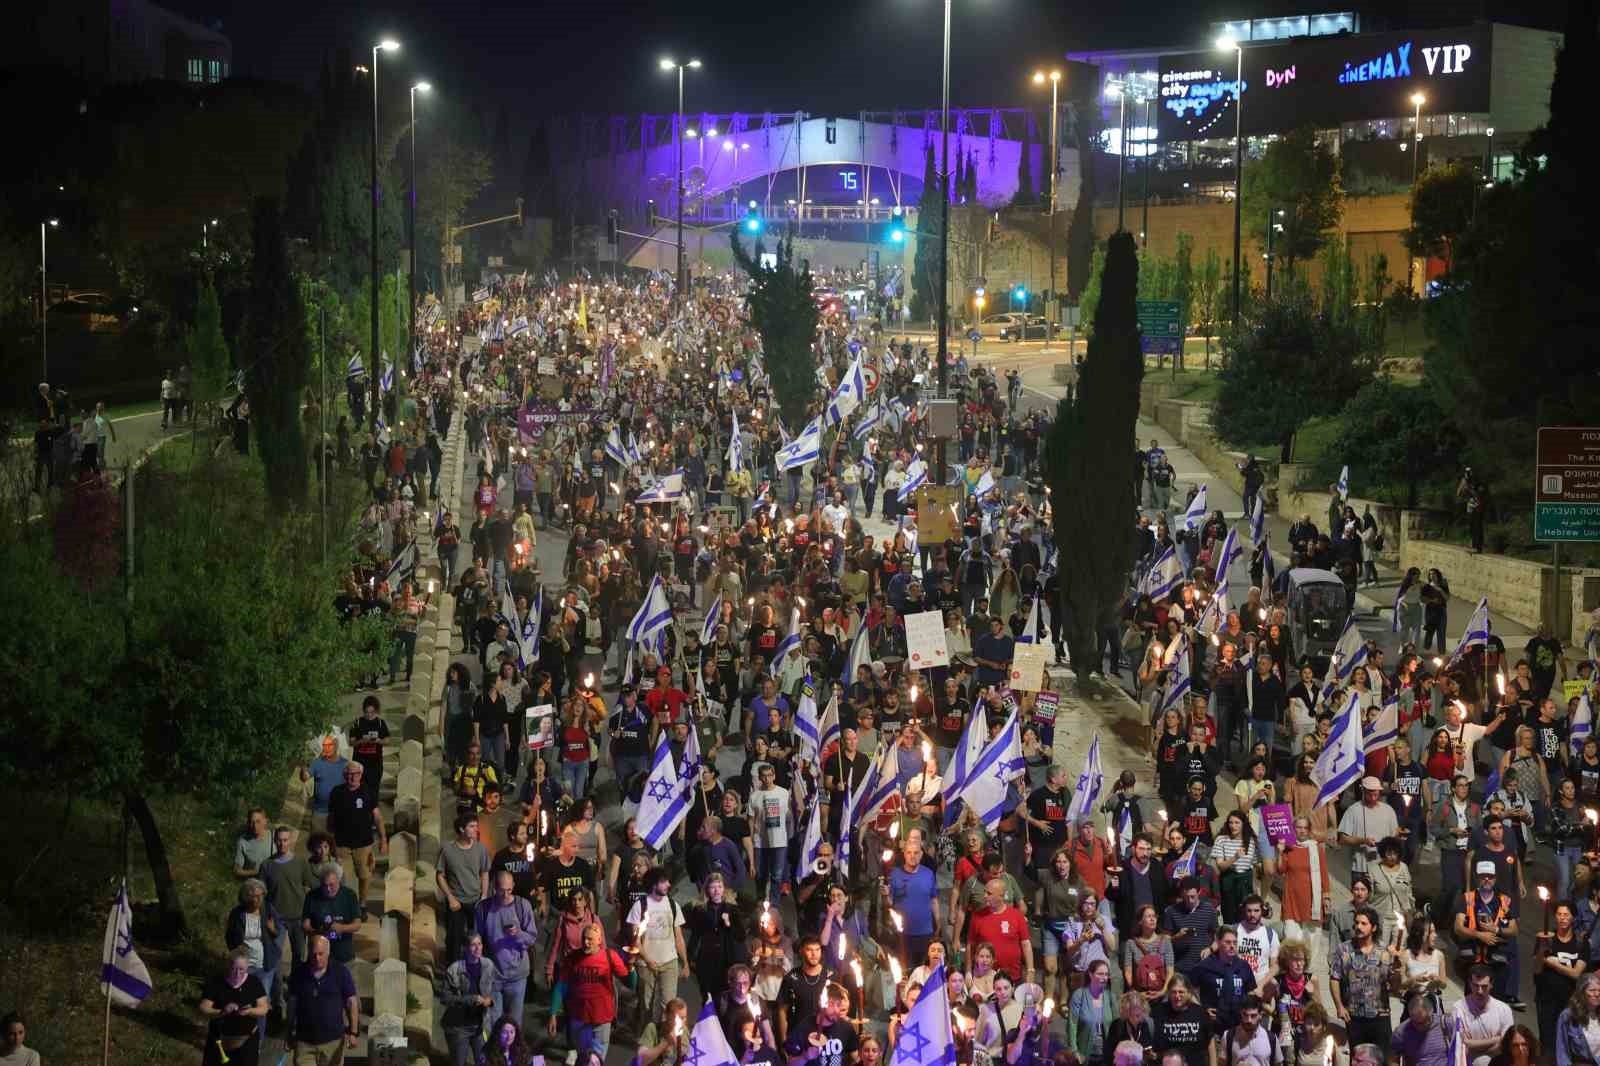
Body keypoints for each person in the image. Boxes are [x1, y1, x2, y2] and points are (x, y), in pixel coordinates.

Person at [548, 922, 634, 1060]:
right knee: (583, 1058)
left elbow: (630, 983)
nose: (586, 943)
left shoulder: (609, 956)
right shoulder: (572, 958)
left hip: (602, 1019)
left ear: (599, 941)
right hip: (579, 1018)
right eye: (584, 939)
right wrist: (553, 1013)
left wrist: (631, 968)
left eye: (590, 939)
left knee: (595, 1061)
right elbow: (561, 986)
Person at [627, 867, 689, 1033]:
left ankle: (664, 1040)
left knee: (668, 1006)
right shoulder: (640, 906)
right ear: (654, 884)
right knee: (645, 1005)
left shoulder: (673, 905)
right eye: (664, 881)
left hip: (669, 963)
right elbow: (635, 939)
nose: (668, 884)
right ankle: (645, 1038)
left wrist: (685, 963)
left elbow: (679, 937)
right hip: (646, 964)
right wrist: (647, 960)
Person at [475, 869, 539, 1027]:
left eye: (509, 890)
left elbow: (531, 938)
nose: (505, 895)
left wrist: (518, 934)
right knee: (492, 1023)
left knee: (513, 1025)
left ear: (514, 886)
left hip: (517, 977)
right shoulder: (483, 909)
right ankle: (495, 1052)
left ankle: (513, 1052)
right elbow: (477, 941)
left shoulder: (522, 906)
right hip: (493, 977)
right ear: (494, 888)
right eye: (502, 891)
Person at [285, 934, 360, 1064]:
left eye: (321, 954)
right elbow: (292, 1005)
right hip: (305, 1043)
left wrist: (353, 1032)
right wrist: (289, 1032)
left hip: (333, 1043)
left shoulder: (340, 972)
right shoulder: (298, 974)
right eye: (314, 954)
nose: (317, 958)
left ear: (328, 952)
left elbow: (351, 1002)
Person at [1330, 906, 1393, 1051]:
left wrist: (1398, 967)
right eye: (1357, 923)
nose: (1358, 927)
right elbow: (1334, 978)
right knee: (1359, 1058)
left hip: (1380, 1016)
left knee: (1382, 1057)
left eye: (1364, 924)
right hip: (1354, 1017)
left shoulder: (1384, 951)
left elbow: (1393, 983)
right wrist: (1339, 1006)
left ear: (1374, 927)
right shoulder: (1344, 949)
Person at [326, 761, 387, 909]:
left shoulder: (368, 792)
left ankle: (362, 905)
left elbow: (377, 817)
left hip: (363, 844)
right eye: (348, 774)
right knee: (340, 877)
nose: (351, 777)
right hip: (341, 844)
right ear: (344, 776)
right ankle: (343, 905)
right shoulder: (336, 792)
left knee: (364, 876)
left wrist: (383, 840)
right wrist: (329, 841)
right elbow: (331, 818)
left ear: (360, 775)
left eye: (354, 774)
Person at [1535, 901, 1589, 1055]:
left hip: (1569, 1002)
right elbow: (1537, 970)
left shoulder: (1581, 943)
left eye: (1566, 915)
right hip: (1546, 1000)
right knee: (1548, 1044)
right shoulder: (1546, 938)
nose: (1562, 918)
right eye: (1559, 914)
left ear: (1573, 918)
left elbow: (1576, 973)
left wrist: (1552, 962)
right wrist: (1541, 953)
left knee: (1568, 1044)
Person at [200, 950, 270, 1066]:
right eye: (234, 969)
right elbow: (203, 1008)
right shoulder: (217, 982)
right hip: (219, 1042)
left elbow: (263, 1008)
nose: (237, 974)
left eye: (241, 969)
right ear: (228, 966)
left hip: (247, 1042)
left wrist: (249, 1011)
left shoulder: (254, 983)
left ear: (247, 967)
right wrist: (222, 1011)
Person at [440, 931, 500, 1066]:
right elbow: (445, 998)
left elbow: (496, 987)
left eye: (479, 944)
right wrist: (470, 999)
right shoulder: (454, 970)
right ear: (465, 948)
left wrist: (490, 1000)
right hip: (459, 1027)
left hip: (480, 1025)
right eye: (473, 945)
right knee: (459, 1062)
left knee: (484, 1062)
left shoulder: (488, 965)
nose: (478, 948)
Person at [781, 981, 858, 1066]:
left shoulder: (846, 1027)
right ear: (821, 1003)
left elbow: (856, 1058)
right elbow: (790, 1064)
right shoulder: (804, 1027)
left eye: (839, 1005)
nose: (836, 1010)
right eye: (831, 1004)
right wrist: (805, 1057)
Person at [1452, 965, 1515, 1066]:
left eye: (1484, 986)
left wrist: (1473, 1044)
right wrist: (1495, 1039)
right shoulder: (1458, 1008)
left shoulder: (1503, 1009)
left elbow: (1506, 1043)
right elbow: (1461, 1044)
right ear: (1469, 984)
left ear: (1491, 985)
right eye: (1476, 985)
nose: (1479, 991)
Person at [301, 865, 362, 965]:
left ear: (339, 880)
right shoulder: (312, 896)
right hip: (318, 957)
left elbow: (357, 924)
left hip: (344, 955)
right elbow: (305, 925)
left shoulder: (349, 895)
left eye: (332, 885)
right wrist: (319, 932)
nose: (328, 889)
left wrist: (341, 928)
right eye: (324, 885)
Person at [1151, 975, 1214, 1066]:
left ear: (1188, 993)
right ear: (1168, 993)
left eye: (1181, 992)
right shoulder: (1158, 1013)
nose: (1177, 996)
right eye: (1174, 992)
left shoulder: (1200, 1013)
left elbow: (1210, 1043)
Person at [1390, 990, 1449, 1066]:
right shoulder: (1401, 1032)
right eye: (1415, 1022)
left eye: (1424, 1022)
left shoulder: (1445, 1023)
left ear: (1431, 1013)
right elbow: (1393, 1059)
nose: (1420, 1027)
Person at [1554, 974, 1600, 1066]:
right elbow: (1562, 1051)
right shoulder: (1568, 1016)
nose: (1597, 994)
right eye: (1592, 990)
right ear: (1581, 993)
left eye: (1599, 990)